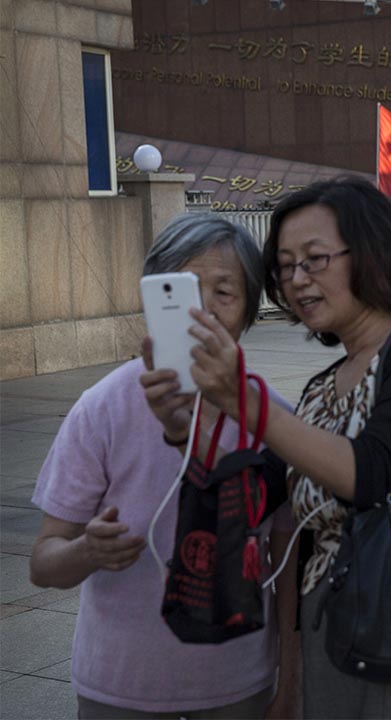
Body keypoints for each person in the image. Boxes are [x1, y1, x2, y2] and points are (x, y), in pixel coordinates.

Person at [144, 177, 391, 719]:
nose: (298, 280)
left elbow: (369, 474)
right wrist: (183, 427)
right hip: (330, 620)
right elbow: (254, 491)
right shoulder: (324, 385)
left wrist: (241, 401)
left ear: (370, 254)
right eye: (285, 265)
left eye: (315, 259)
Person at [29, 214, 299, 719]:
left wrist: (290, 682)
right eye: (184, 289)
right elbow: (43, 563)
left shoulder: (276, 419)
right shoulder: (102, 406)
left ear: (248, 311)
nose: (204, 310)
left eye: (225, 291)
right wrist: (88, 550)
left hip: (239, 684)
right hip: (119, 685)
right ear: (154, 299)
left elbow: (288, 566)